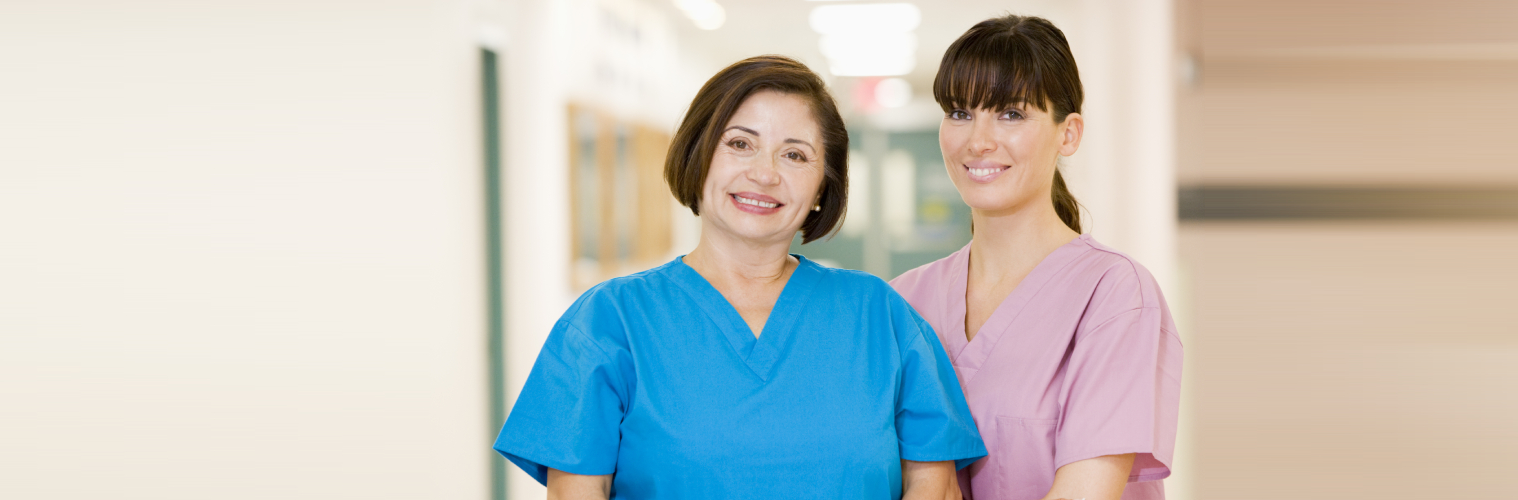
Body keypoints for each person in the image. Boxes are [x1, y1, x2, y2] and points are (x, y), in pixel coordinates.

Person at [494, 55, 985, 500]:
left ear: (822, 187)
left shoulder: (879, 315)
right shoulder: (609, 322)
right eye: (739, 144)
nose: (764, 173)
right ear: (698, 156)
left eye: (794, 155)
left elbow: (934, 486)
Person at [888, 15, 1184, 500]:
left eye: (1011, 113)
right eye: (960, 112)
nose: (978, 140)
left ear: (1067, 134)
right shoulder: (903, 299)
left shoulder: (1114, 294)